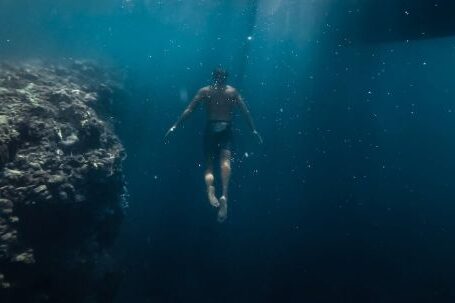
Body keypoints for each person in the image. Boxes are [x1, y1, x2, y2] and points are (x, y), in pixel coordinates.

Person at [164, 68, 262, 222]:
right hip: (226, 129)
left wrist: (176, 125)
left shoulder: (205, 91)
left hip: (211, 128)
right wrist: (254, 130)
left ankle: (210, 188)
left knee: (209, 165)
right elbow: (245, 112)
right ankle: (224, 194)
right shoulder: (233, 92)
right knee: (225, 162)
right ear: (225, 78)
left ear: (214, 77)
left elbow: (190, 109)